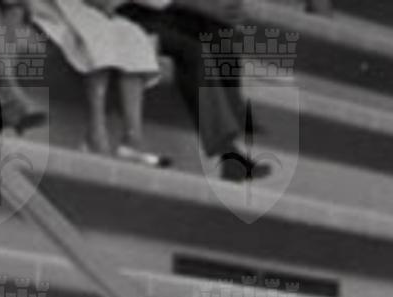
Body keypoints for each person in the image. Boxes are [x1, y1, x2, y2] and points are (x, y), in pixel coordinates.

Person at [116, 0, 272, 182]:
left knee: (220, 34)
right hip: (131, 16)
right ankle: (230, 152)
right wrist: (206, 6)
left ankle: (235, 121)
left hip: (164, 13)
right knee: (194, 53)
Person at [23, 0, 166, 164]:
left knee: (133, 36)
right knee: (97, 37)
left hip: (93, 11)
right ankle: (95, 135)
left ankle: (133, 139)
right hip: (56, 7)